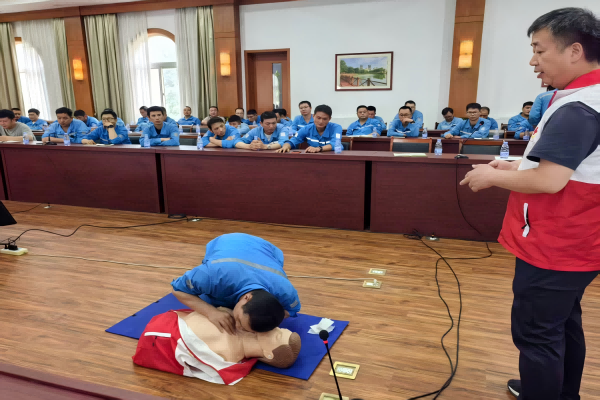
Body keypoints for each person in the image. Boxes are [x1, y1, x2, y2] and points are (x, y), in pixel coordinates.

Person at [459, 8, 600, 400]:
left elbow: (550, 180)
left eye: (539, 50)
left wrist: (492, 177)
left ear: (574, 51)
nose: (532, 61)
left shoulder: (579, 108)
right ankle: (560, 393)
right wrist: (516, 165)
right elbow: (570, 165)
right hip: (578, 241)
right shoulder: (583, 98)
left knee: (537, 334)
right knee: (562, 324)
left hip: (558, 244)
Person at [171, 233, 301, 335]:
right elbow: (178, 289)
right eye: (238, 320)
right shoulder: (213, 275)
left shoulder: (286, 291)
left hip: (265, 250)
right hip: (229, 241)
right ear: (247, 298)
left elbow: (289, 311)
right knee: (209, 302)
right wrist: (211, 312)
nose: (237, 327)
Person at [132, 309, 301, 384]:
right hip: (169, 320)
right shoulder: (241, 328)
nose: (276, 328)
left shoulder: (227, 350)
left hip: (158, 336)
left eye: (278, 335)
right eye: (281, 329)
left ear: (269, 354)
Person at [277, 104, 342, 153]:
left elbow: (337, 145)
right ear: (313, 116)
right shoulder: (307, 128)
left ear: (329, 119)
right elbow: (293, 140)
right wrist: (285, 146)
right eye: (318, 118)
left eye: (324, 119)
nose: (321, 121)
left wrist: (319, 148)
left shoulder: (336, 128)